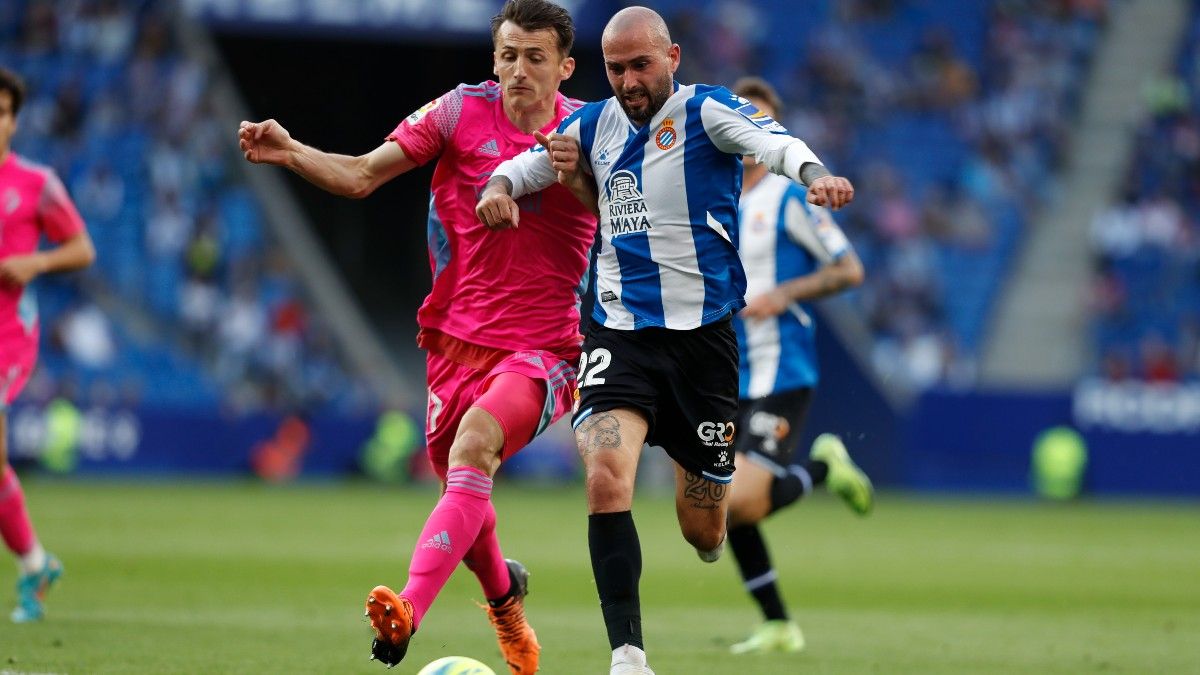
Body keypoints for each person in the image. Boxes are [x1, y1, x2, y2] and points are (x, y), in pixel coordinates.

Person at [476, 8, 855, 674]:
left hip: (704, 350)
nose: (627, 81)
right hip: (619, 338)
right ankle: (628, 655)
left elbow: (776, 144)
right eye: (616, 68)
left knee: (705, 531)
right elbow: (524, 165)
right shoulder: (592, 124)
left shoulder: (709, 112)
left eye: (640, 65)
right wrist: (499, 189)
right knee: (604, 474)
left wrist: (814, 174)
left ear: (672, 57)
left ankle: (722, 499)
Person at [238, 1, 596, 671]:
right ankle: (508, 606)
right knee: (465, 493)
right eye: (508, 54)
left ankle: (404, 614)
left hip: (544, 349)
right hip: (452, 344)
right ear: (494, 57)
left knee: (475, 446)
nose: (519, 69)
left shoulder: (589, 133)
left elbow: (624, 215)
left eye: (535, 57)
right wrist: (289, 151)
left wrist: (572, 176)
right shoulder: (459, 112)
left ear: (565, 66)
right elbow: (361, 174)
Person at [724, 76, 873, 656]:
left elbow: (849, 270)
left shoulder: (787, 198)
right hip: (724, 372)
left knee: (738, 501)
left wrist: (784, 295)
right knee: (720, 509)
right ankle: (779, 624)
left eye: (764, 125)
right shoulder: (713, 199)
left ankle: (819, 468)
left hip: (780, 370)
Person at [0, 67, 96, 623]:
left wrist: (35, 261)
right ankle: (35, 564)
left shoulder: (36, 184)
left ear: (14, 121)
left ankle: (34, 566)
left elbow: (81, 247)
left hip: (9, 334)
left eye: (3, 111)